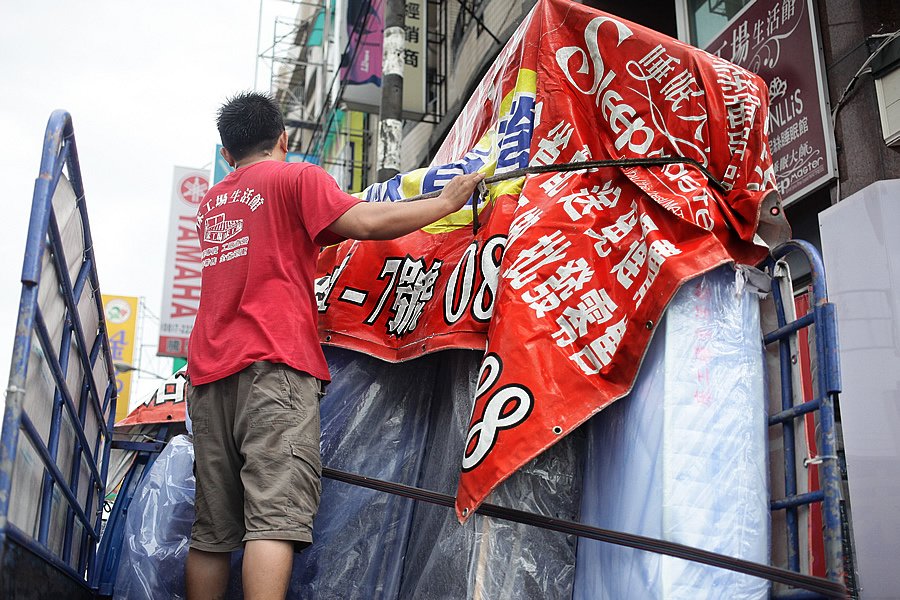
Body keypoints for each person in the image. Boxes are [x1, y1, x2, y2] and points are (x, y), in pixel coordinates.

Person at [184, 91, 484, 600]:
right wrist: (445, 203)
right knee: (273, 520)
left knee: (212, 531)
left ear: (227, 153)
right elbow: (364, 222)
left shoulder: (214, 203)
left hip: (208, 377)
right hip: (274, 369)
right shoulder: (296, 177)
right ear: (283, 136)